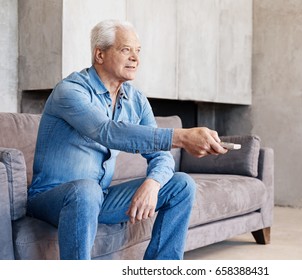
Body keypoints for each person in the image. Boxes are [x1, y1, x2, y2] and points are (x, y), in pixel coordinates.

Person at [26, 19, 227, 260]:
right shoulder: (70, 91)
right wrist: (181, 137)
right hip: (51, 197)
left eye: (138, 51)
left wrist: (153, 183)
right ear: (100, 55)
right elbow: (107, 131)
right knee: (85, 191)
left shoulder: (136, 100)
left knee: (181, 185)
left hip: (99, 196)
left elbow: (161, 156)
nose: (135, 58)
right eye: (126, 50)